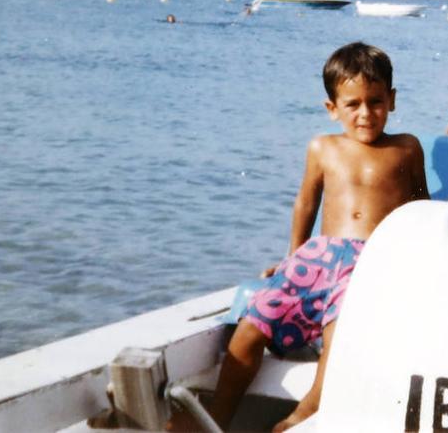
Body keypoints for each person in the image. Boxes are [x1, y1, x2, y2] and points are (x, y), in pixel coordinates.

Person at [169, 42, 428, 432]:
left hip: (371, 262)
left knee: (338, 337)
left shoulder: (406, 147)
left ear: (392, 100)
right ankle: (218, 414)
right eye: (352, 104)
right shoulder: (323, 147)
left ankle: (304, 412)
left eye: (375, 101)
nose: (365, 113)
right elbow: (306, 202)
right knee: (252, 325)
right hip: (318, 258)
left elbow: (421, 207)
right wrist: (293, 256)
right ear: (332, 108)